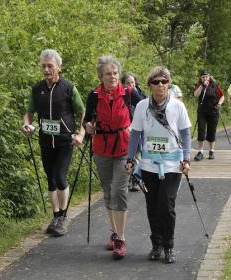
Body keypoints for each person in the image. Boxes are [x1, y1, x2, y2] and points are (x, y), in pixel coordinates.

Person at [125, 66, 191, 264]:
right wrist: (130, 159)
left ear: (169, 83)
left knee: (166, 205)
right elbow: (136, 134)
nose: (160, 85)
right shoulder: (142, 106)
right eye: (156, 82)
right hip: (148, 165)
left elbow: (186, 134)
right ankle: (157, 244)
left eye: (164, 81)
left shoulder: (178, 107)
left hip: (172, 165)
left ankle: (169, 246)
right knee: (152, 205)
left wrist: (186, 159)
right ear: (150, 85)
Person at [83, 55, 144, 260]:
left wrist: (135, 129)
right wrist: (88, 127)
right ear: (101, 76)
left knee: (119, 191)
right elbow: (86, 121)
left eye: (115, 73)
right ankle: (114, 232)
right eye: (108, 74)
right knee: (108, 192)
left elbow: (145, 110)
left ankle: (121, 238)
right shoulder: (93, 95)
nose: (112, 77)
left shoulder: (128, 92)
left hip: (125, 149)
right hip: (101, 148)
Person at [22, 49, 85, 237]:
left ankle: (63, 217)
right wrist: (26, 124)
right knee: (50, 179)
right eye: (44, 66)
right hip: (45, 140)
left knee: (59, 177)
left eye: (50, 66)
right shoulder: (37, 88)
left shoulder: (68, 88)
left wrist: (81, 134)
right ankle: (55, 216)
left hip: (65, 141)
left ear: (59, 67)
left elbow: (83, 113)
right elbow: (29, 112)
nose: (46, 70)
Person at [121, 72, 147, 192]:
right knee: (126, 155)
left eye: (133, 82)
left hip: (137, 129)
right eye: (128, 83)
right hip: (124, 130)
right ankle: (125, 180)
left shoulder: (141, 95)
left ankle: (135, 180)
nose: (131, 85)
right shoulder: (121, 95)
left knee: (136, 155)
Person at [193, 69, 224, 160]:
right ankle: (200, 152)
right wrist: (202, 86)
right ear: (201, 78)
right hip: (202, 112)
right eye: (203, 77)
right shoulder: (199, 85)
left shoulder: (215, 85)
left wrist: (219, 104)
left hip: (213, 111)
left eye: (206, 76)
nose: (205, 78)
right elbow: (196, 94)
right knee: (201, 130)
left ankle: (211, 151)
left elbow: (222, 96)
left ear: (209, 77)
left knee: (211, 131)